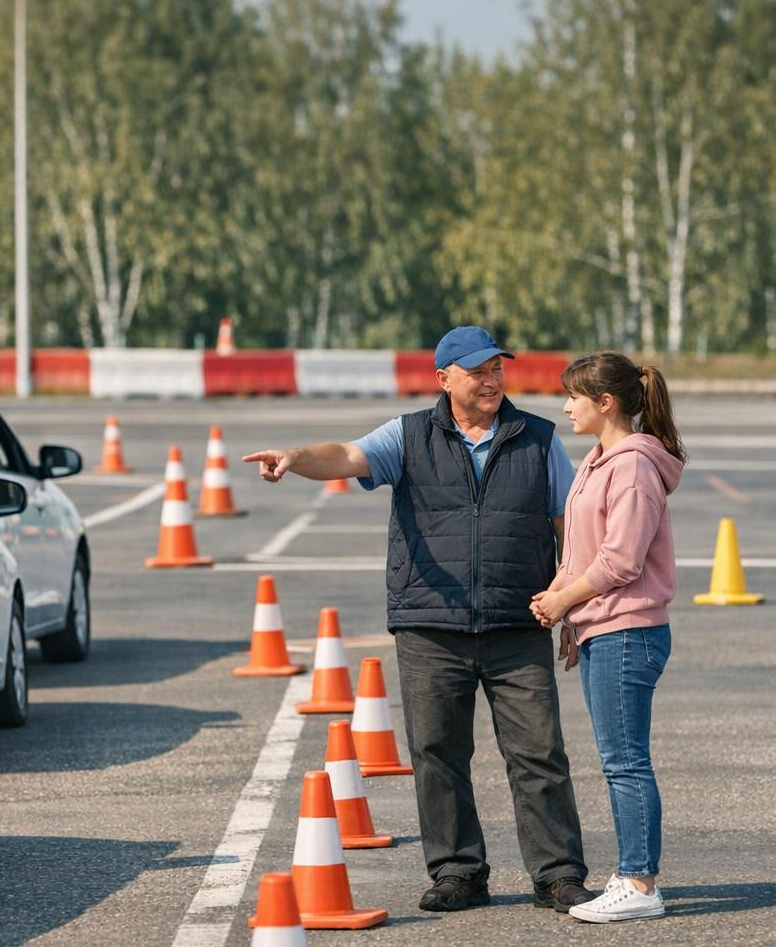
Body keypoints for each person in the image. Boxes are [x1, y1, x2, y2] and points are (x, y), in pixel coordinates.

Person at [244, 326, 595, 914]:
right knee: (437, 752)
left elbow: (568, 528)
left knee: (539, 753)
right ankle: (459, 872)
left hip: (518, 621)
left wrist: (571, 607)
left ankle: (558, 875)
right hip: (431, 624)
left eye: (496, 369)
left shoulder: (539, 439)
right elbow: (348, 457)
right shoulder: (408, 436)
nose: (491, 380)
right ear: (444, 378)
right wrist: (296, 458)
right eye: (478, 370)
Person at [530, 351, 684, 923]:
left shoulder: (634, 466)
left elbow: (620, 561)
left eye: (574, 396)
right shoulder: (600, 461)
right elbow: (582, 551)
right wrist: (569, 613)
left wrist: (566, 601)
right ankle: (630, 875)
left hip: (630, 631)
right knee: (617, 759)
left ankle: (641, 885)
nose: (566, 406)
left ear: (606, 403)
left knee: (626, 763)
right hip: (605, 628)